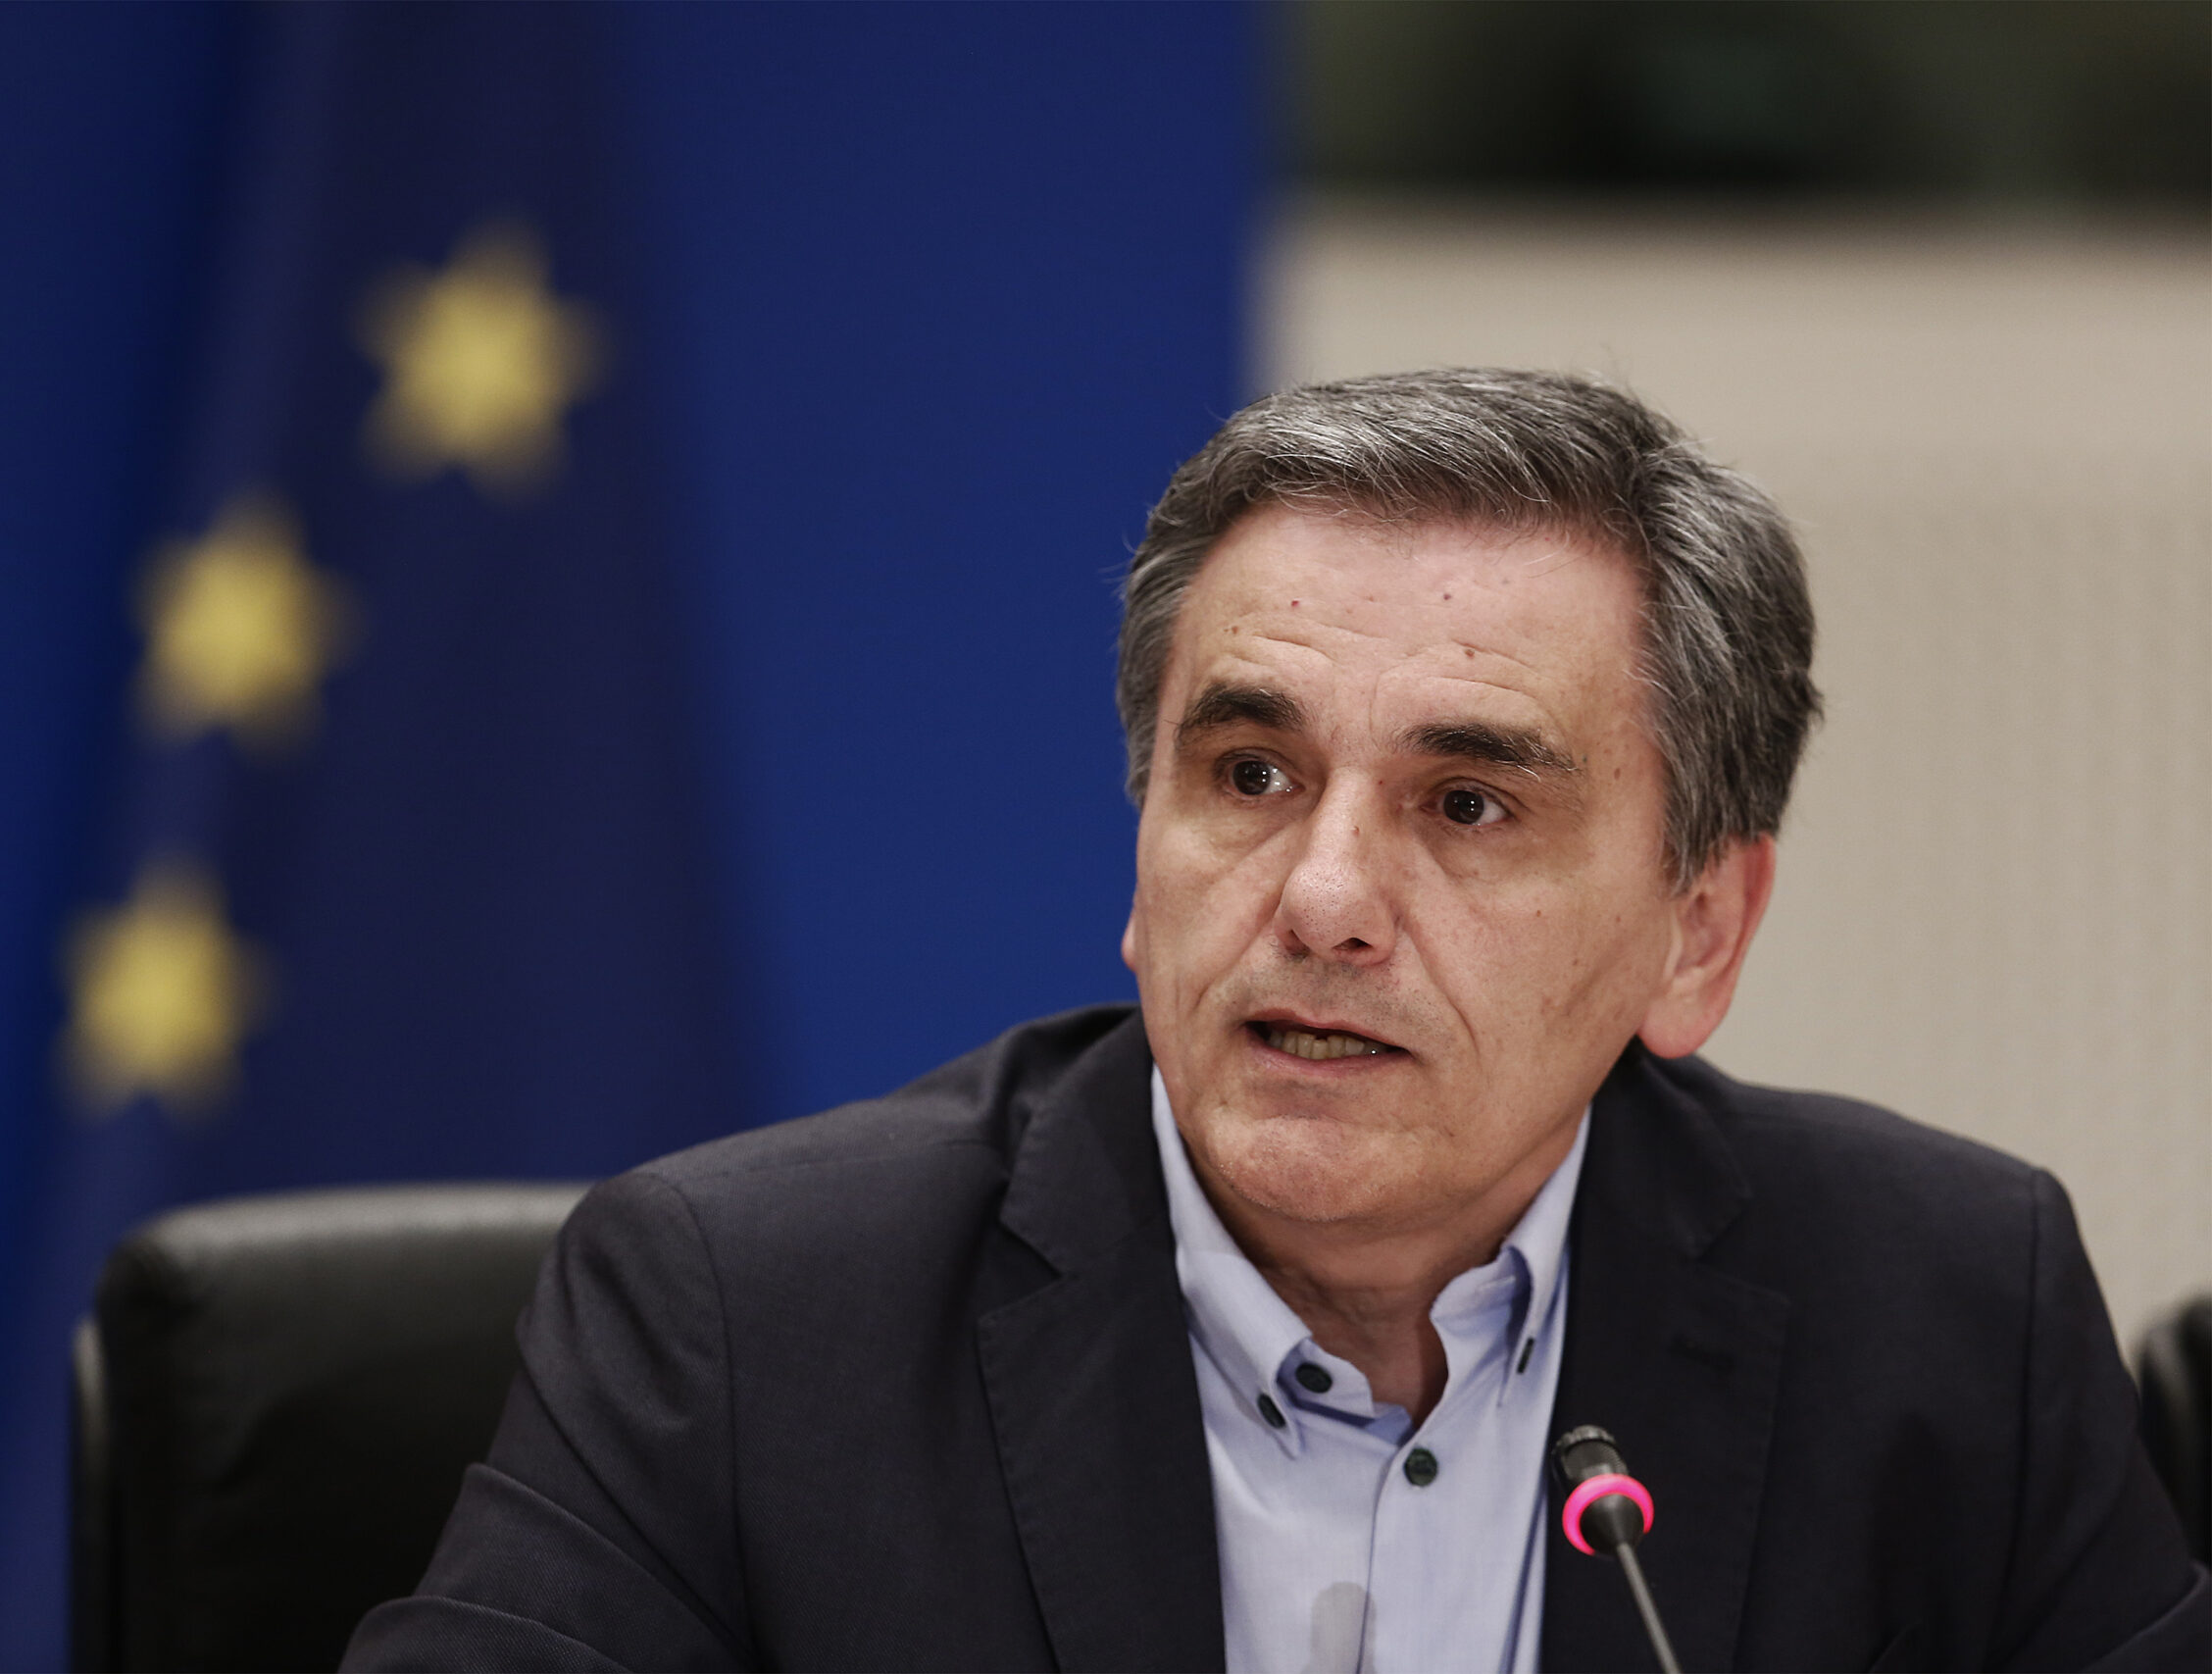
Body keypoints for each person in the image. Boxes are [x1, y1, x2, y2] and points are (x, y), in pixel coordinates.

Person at [348, 371, 2207, 1672]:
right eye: (1249, 774)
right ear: (1140, 844)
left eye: (1467, 805)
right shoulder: (746, 1322)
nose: (1321, 898)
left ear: (1696, 935)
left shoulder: (1951, 1318)